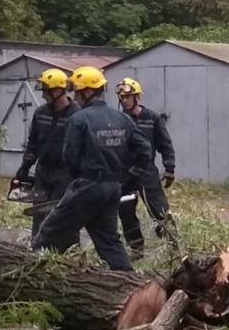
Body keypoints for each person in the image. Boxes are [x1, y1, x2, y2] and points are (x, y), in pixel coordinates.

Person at [32, 66, 150, 271]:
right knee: (108, 241)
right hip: (113, 187)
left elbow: (69, 156)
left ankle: (29, 273)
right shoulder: (122, 118)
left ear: (88, 92)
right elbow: (144, 150)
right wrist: (130, 178)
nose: (75, 97)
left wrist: (79, 179)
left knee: (48, 231)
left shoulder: (78, 119)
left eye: (78, 92)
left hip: (88, 185)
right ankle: (129, 280)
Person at [13, 68, 78, 239]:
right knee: (39, 213)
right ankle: (38, 248)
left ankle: (69, 250)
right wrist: (25, 167)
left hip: (66, 174)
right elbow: (33, 143)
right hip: (43, 173)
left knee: (63, 214)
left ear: (57, 91)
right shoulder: (40, 113)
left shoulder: (77, 115)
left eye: (46, 91)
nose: (43, 96)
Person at [114, 76, 175, 256]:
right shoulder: (118, 119)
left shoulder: (152, 118)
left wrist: (169, 168)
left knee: (159, 209)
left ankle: (172, 244)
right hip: (125, 173)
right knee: (125, 211)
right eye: (122, 98)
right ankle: (136, 248)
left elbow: (165, 144)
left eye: (128, 97)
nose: (124, 101)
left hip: (147, 171)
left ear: (136, 97)